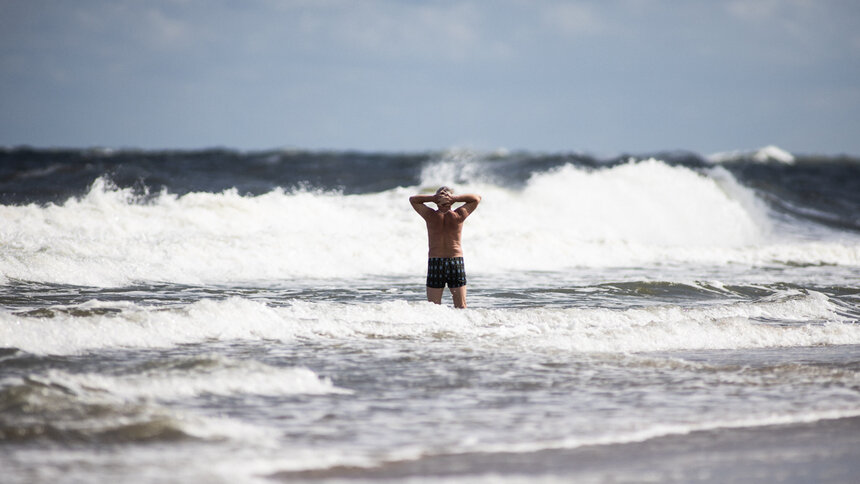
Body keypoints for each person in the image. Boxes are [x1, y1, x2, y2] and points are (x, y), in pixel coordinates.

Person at [409, 186, 481, 308]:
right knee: (433, 307)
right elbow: (413, 199)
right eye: (440, 194)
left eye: (445, 194)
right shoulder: (430, 215)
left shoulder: (459, 214)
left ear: (451, 198)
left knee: (461, 307)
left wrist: (455, 198)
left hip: (455, 260)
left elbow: (477, 198)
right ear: (436, 199)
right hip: (435, 262)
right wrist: (433, 198)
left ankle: (462, 327)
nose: (442, 196)